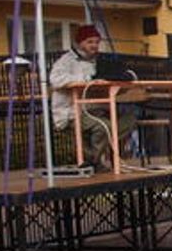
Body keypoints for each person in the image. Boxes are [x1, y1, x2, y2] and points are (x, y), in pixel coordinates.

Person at [49, 25, 136, 172]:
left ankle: (92, 159)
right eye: (90, 42)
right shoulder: (66, 61)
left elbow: (118, 80)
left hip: (98, 109)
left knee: (129, 121)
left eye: (96, 42)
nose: (94, 45)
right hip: (72, 111)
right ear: (80, 43)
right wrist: (88, 79)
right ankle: (94, 162)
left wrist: (125, 78)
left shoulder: (101, 60)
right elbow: (55, 80)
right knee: (103, 126)